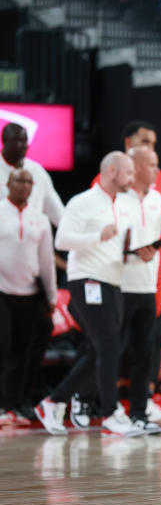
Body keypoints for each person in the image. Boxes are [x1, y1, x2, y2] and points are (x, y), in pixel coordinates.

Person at [36, 152, 137, 436]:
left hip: (113, 281)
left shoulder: (122, 204)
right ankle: (110, 412)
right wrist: (97, 237)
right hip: (88, 280)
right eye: (129, 173)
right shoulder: (82, 202)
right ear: (113, 171)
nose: (132, 178)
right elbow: (62, 240)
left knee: (98, 350)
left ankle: (53, 401)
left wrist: (135, 253)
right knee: (108, 347)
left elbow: (113, 245)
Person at [115, 146, 161, 434]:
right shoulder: (119, 199)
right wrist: (129, 251)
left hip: (148, 285)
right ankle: (99, 406)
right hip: (121, 285)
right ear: (134, 167)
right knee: (114, 351)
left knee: (144, 353)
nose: (157, 170)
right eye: (151, 164)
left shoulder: (157, 199)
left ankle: (138, 413)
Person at [0, 169, 56, 424]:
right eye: (19, 181)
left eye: (28, 182)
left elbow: (47, 262)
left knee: (26, 350)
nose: (24, 186)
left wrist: (52, 296)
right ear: (7, 184)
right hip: (2, 291)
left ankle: (18, 404)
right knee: (3, 346)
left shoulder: (41, 219)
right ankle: (3, 404)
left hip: (31, 293)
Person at [0, 122, 64, 226]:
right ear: (5, 141)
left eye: (26, 141)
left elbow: (58, 213)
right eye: (19, 140)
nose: (25, 145)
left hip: (32, 235)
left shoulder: (37, 171)